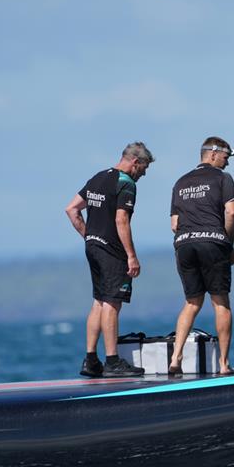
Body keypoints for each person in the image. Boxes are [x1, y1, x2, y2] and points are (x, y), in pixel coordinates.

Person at [65, 142, 154, 377]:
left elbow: (72, 209)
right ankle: (113, 361)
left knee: (98, 301)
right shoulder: (126, 183)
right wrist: (132, 256)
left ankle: (91, 360)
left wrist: (90, 236)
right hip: (112, 251)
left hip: (92, 247)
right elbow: (121, 220)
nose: (143, 174)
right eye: (143, 169)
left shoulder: (97, 178)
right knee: (112, 303)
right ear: (135, 162)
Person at [168, 136, 234, 376]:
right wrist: (228, 245)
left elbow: (174, 223)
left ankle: (175, 359)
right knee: (220, 302)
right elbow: (231, 212)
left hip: (184, 244)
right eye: (226, 157)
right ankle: (223, 364)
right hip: (212, 241)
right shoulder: (223, 178)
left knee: (191, 302)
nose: (227, 163)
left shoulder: (180, 182)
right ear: (212, 154)